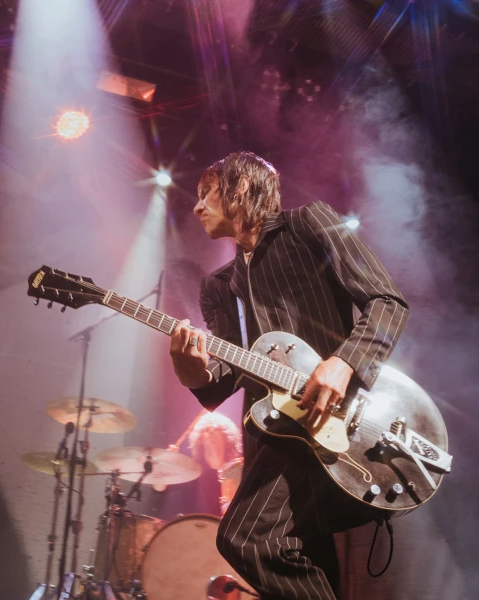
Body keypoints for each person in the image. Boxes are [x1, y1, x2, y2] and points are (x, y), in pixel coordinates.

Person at [168, 152, 409, 600]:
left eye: (207, 194)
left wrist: (344, 362)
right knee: (303, 556)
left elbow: (387, 303)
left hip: (336, 419)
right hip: (273, 433)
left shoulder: (308, 224)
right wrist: (193, 372)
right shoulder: (218, 286)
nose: (197, 206)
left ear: (241, 186)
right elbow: (224, 374)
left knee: (245, 538)